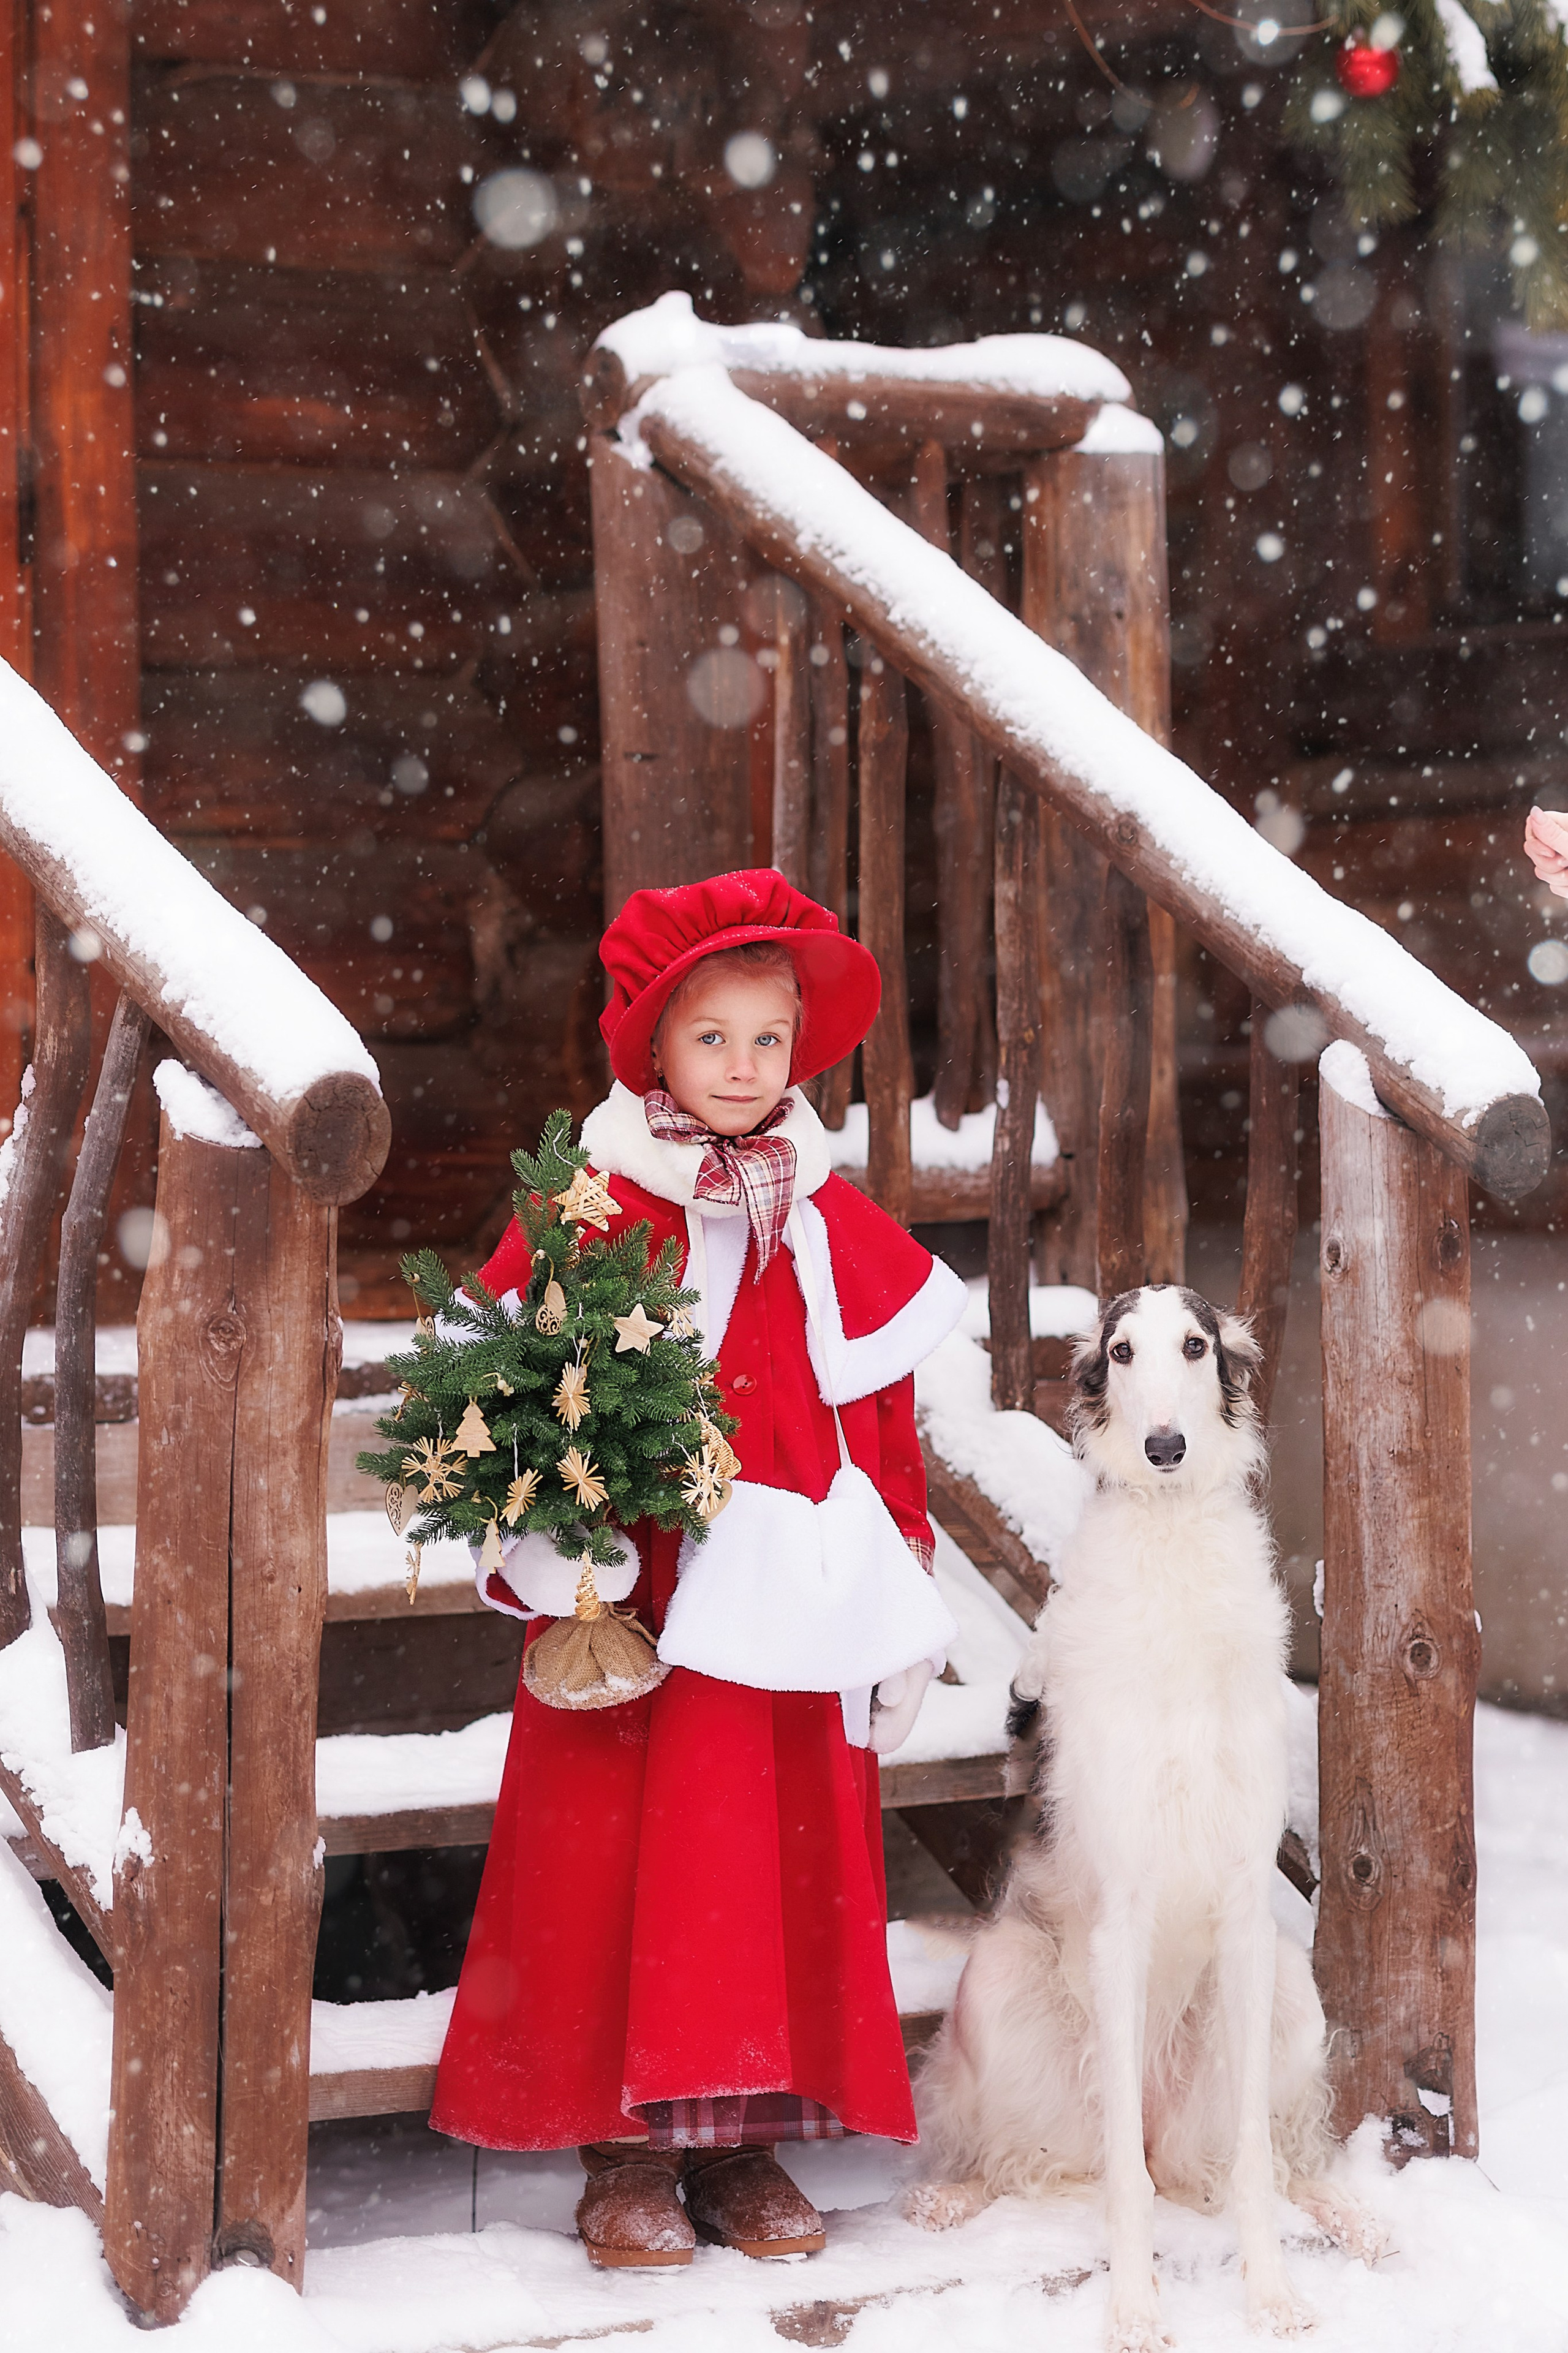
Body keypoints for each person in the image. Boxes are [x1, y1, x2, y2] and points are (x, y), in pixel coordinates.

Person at [429, 867, 967, 2268]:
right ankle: (620, 2144)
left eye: (765, 1041)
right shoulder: (597, 1204)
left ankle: (742, 2143)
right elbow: (508, 1388)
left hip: (789, 1601)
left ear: (799, 1052)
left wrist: (900, 1583)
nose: (740, 1069)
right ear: (654, 1045)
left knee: (769, 1864)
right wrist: (560, 1538)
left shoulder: (830, 1223)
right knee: (625, 1860)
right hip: (645, 1593)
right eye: (709, 1037)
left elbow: (880, 1420)